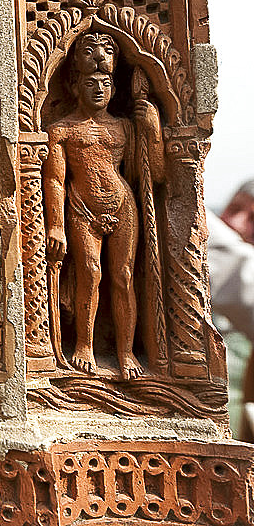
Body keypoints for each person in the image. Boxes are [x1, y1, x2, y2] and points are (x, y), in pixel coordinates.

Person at [43, 32, 164, 380]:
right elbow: (54, 179)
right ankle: (84, 345)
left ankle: (126, 351)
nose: (100, 89)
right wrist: (55, 224)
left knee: (124, 276)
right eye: (91, 83)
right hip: (82, 207)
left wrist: (152, 128)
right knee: (90, 274)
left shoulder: (125, 126)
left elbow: (153, 172)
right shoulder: (62, 130)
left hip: (123, 204)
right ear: (75, 87)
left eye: (107, 82)